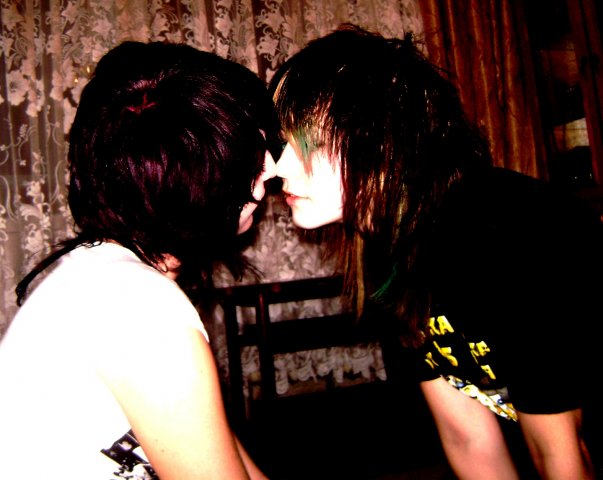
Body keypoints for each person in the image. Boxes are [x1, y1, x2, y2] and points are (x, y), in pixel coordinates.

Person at [269, 24, 603, 479]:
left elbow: (559, 454)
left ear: (387, 143)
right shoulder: (384, 256)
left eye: (309, 142)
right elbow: (467, 437)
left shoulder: (509, 236)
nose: (280, 166)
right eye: (284, 141)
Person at [0, 40, 280, 480]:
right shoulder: (140, 311)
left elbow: (222, 452)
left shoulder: (104, 276)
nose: (273, 168)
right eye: (253, 152)